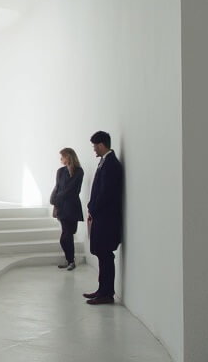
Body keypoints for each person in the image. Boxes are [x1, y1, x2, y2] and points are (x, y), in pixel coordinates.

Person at [83, 130, 124, 305]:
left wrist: (93, 207)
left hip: (107, 219)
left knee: (105, 255)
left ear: (101, 145)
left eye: (95, 146)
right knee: (102, 255)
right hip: (102, 218)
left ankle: (107, 293)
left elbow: (106, 193)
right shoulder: (104, 162)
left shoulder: (111, 164)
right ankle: (102, 289)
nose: (94, 150)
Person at [50, 147, 84, 270]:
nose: (61, 159)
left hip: (72, 207)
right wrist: (54, 202)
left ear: (68, 156)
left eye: (62, 156)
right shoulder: (60, 171)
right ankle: (70, 260)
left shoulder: (79, 171)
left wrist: (58, 197)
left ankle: (71, 260)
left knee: (68, 234)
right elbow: (57, 187)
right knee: (66, 235)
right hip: (62, 206)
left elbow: (72, 190)